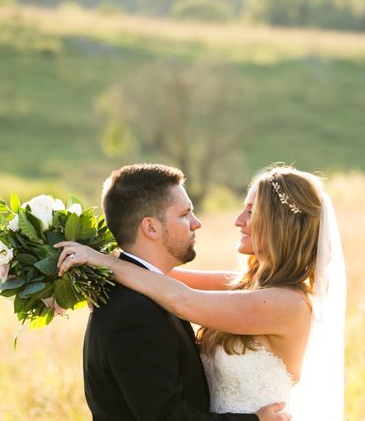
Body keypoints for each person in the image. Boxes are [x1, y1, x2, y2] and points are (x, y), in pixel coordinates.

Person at [57, 164, 346, 420]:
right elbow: (158, 275)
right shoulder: (244, 285)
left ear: (278, 224)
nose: (238, 220)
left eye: (250, 211)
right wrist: (84, 275)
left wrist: (105, 263)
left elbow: (183, 298)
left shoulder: (287, 305)